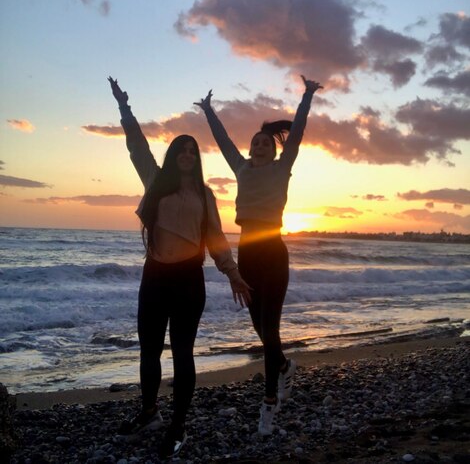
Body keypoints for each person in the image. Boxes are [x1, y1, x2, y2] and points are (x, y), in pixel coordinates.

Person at [108, 77, 251, 460]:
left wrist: (233, 273)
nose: (188, 154)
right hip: (154, 276)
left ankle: (178, 425)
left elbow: (217, 238)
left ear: (197, 158)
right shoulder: (155, 181)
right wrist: (125, 108)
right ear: (173, 155)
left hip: (189, 279)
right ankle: (149, 413)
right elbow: (136, 146)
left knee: (183, 353)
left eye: (193, 150)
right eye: (182, 149)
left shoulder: (206, 195)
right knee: (149, 350)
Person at [195, 75, 322, 436]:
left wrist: (307, 96)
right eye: (255, 142)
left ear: (274, 149)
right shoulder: (241, 168)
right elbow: (222, 142)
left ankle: (269, 403)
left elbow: (295, 134)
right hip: (247, 253)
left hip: (274, 253)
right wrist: (208, 111)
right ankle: (284, 367)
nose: (259, 146)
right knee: (259, 328)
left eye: (265, 142)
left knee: (270, 328)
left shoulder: (282, 169)